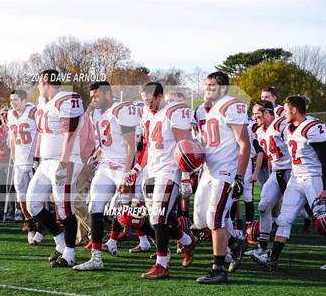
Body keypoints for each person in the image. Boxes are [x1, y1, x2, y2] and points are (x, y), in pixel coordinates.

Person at [122, 82, 195, 279]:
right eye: (144, 99)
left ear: (159, 96)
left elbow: (184, 146)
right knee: (167, 219)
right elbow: (147, 147)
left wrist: (186, 176)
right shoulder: (146, 114)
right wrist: (137, 168)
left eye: (150, 100)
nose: (147, 103)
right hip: (151, 171)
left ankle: (162, 263)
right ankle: (188, 242)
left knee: (157, 217)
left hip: (169, 170)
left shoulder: (173, 112)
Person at [252, 95, 326, 270]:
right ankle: (272, 258)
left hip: (313, 178)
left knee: (322, 222)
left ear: (294, 110)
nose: (283, 114)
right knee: (284, 219)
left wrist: (325, 187)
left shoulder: (312, 128)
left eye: (285, 110)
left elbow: (325, 158)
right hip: (296, 178)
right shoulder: (289, 128)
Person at [73, 81, 138, 271]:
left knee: (130, 213)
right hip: (105, 166)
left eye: (97, 96)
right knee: (95, 206)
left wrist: (127, 173)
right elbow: (104, 141)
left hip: (121, 166)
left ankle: (172, 241)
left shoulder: (120, 109)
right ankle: (97, 257)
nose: (94, 100)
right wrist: (97, 154)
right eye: (92, 96)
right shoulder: (95, 113)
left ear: (108, 94)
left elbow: (130, 146)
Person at [193, 71, 250, 284]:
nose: (207, 89)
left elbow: (244, 144)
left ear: (223, 88)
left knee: (216, 219)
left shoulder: (231, 105)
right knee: (200, 220)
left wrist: (240, 177)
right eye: (206, 85)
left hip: (225, 172)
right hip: (208, 170)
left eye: (212, 85)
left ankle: (218, 268)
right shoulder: (210, 110)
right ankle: (235, 243)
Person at [26, 69, 84, 268]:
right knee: (32, 203)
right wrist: (36, 158)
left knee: (63, 207)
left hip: (65, 160)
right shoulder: (43, 103)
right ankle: (60, 241)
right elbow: (42, 134)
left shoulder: (67, 99)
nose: (38, 87)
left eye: (39, 83)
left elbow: (70, 134)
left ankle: (70, 254)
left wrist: (63, 162)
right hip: (46, 161)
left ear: (46, 82)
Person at [246, 101, 291, 257]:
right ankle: (262, 247)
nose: (254, 116)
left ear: (267, 112)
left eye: (257, 112)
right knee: (264, 206)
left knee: (315, 212)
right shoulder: (259, 132)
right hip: (277, 172)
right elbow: (271, 157)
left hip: (294, 172)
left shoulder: (281, 124)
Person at [7, 90, 42, 244]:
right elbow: (13, 139)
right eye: (11, 100)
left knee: (38, 196)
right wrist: (14, 157)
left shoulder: (34, 111)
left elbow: (42, 134)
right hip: (19, 162)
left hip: (35, 160)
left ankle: (42, 227)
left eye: (15, 100)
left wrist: (38, 157)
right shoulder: (10, 115)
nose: (13, 103)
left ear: (24, 100)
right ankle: (30, 223)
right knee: (21, 196)